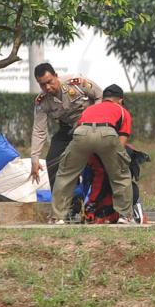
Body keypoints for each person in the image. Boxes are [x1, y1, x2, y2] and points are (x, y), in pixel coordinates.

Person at [49, 83, 134, 224]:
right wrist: (113, 161)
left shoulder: (91, 108)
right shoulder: (122, 111)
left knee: (65, 174)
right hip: (107, 134)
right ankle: (125, 216)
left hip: (81, 133)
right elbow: (122, 141)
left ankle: (57, 217)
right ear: (120, 100)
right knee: (120, 175)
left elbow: (81, 131)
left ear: (105, 98)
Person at [29, 62, 102, 190]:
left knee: (87, 160)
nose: (47, 87)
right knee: (52, 160)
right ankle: (62, 204)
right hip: (67, 128)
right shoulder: (42, 101)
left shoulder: (77, 83)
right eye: (42, 84)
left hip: (90, 125)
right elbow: (39, 130)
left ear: (56, 76)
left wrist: (92, 119)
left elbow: (99, 95)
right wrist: (34, 159)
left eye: (49, 81)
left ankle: (90, 197)